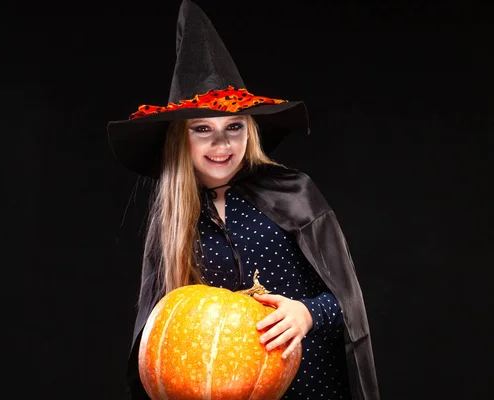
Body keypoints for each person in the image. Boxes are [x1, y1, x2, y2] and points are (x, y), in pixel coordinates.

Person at [107, 0, 380, 399]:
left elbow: (348, 300)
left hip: (313, 385)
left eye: (234, 126)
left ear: (249, 130)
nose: (222, 143)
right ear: (180, 139)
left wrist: (307, 313)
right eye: (203, 129)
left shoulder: (294, 192)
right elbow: (163, 329)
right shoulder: (177, 217)